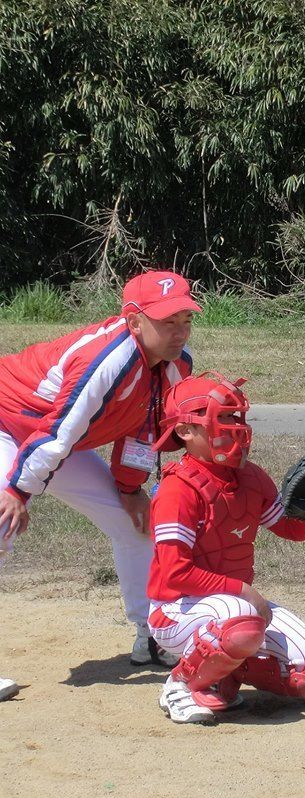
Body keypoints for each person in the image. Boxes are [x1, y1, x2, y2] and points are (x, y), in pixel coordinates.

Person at [0, 270, 197, 667]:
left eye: (185, 320)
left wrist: (129, 489)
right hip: (8, 423)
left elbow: (143, 429)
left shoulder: (176, 365)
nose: (179, 332)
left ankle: (154, 636)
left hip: (53, 438)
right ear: (134, 321)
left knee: (136, 524)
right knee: (1, 521)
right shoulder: (107, 359)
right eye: (167, 322)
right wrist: (18, 491)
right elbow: (57, 433)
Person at [146, 371, 305, 725]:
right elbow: (175, 573)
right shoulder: (178, 489)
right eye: (223, 418)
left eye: (237, 417)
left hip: (229, 609)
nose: (236, 427)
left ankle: (226, 676)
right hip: (174, 611)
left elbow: (291, 531)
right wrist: (244, 591)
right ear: (185, 431)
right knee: (241, 617)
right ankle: (181, 684)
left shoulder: (252, 477)